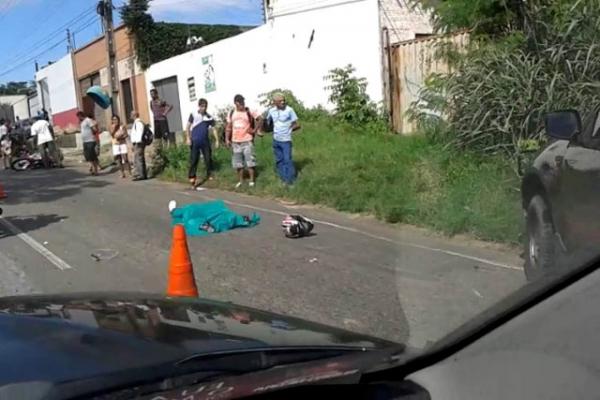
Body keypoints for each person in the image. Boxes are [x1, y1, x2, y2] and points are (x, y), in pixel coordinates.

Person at [226, 94, 260, 188]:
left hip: (247, 140)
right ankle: (240, 181)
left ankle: (252, 181)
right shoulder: (232, 112)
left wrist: (254, 130)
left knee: (250, 162)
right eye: (240, 103)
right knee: (238, 163)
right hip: (235, 141)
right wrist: (227, 139)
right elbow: (228, 127)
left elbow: (260, 119)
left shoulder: (248, 111)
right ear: (236, 103)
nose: (242, 105)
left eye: (243, 103)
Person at [267, 92, 301, 185]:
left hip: (286, 140)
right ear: (275, 102)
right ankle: (283, 179)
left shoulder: (289, 110)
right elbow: (268, 122)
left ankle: (290, 181)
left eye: (283, 100)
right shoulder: (271, 111)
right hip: (276, 139)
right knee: (279, 160)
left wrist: (289, 130)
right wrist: (263, 129)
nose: (283, 102)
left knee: (287, 160)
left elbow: (297, 124)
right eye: (280, 101)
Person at [186, 98, 215, 189]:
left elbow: (214, 128)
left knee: (208, 158)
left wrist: (217, 140)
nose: (204, 108)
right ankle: (192, 178)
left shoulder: (208, 117)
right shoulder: (194, 114)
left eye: (205, 106)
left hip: (205, 141)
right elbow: (188, 126)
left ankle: (209, 174)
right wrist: (188, 138)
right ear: (199, 106)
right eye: (202, 106)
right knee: (194, 160)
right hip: (195, 140)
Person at [77, 111, 100, 176]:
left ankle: (95, 170)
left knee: (92, 156)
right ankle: (92, 168)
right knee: (88, 156)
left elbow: (94, 128)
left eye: (79, 116)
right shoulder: (82, 122)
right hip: (85, 142)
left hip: (90, 141)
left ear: (81, 115)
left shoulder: (88, 120)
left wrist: (94, 133)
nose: (78, 118)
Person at [130, 110, 147, 181]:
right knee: (138, 158)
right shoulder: (136, 123)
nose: (130, 116)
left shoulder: (138, 123)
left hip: (138, 143)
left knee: (138, 158)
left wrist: (137, 142)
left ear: (134, 115)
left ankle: (141, 174)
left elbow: (139, 133)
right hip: (136, 143)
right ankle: (141, 173)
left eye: (131, 114)